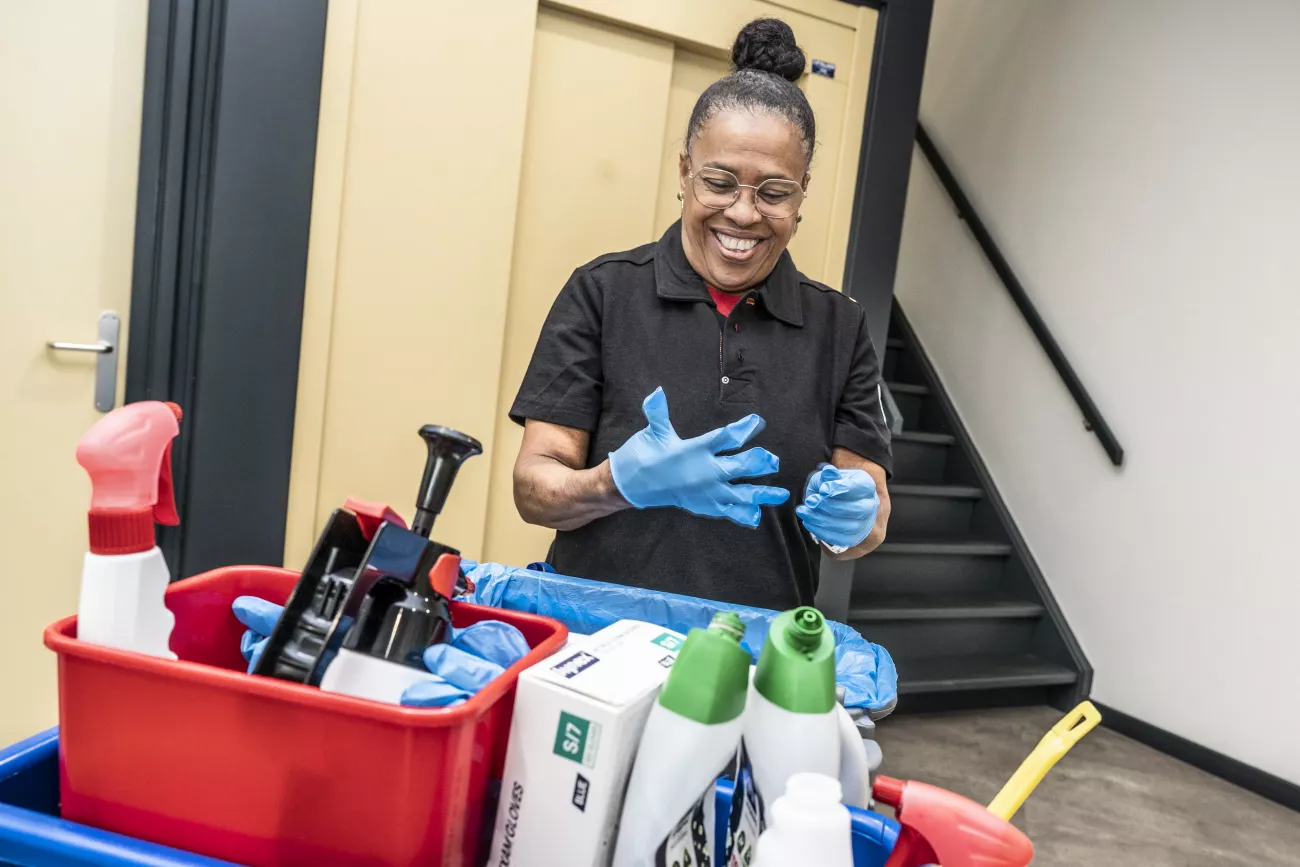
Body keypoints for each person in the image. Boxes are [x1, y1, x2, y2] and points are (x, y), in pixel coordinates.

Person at [510, 19, 892, 611]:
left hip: (755, 651)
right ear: (684, 171)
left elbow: (868, 516)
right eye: (719, 182)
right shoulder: (603, 293)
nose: (743, 214)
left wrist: (855, 520)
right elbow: (534, 489)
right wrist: (615, 485)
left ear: (802, 194)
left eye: (774, 192)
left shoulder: (840, 327)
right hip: (596, 639)